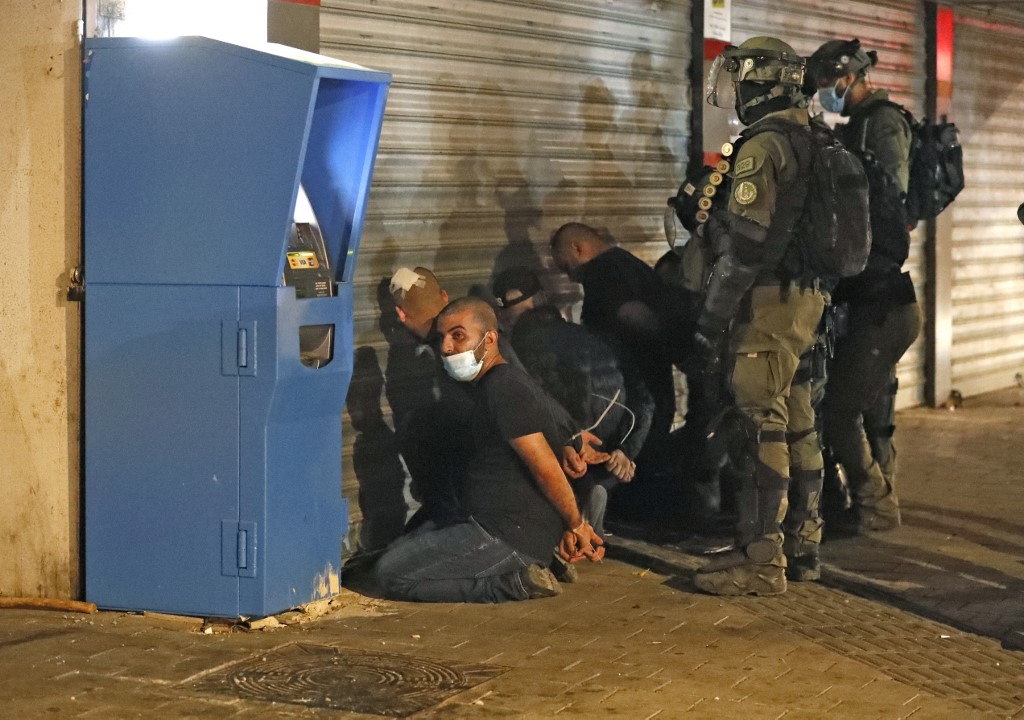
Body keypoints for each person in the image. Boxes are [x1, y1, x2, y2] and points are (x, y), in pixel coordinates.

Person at [692, 37, 829, 595]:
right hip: (811, 301)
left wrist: (712, 315)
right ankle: (803, 546)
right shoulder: (817, 137)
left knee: (757, 423)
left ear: (760, 83)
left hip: (770, 302)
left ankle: (762, 562)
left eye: (740, 80)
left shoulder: (764, 145)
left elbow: (747, 243)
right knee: (798, 418)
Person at [373, 297, 605, 602]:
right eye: (442, 337)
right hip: (503, 527)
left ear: (490, 339)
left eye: (458, 335)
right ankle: (538, 563)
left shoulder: (502, 388)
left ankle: (511, 584)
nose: (446, 347)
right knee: (403, 549)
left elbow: (545, 468)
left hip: (503, 534)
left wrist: (576, 525)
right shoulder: (500, 383)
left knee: (391, 574)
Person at [807, 39, 923, 533]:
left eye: (825, 85)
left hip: (881, 297)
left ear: (844, 78)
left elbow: (885, 203)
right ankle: (875, 499)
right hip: (871, 295)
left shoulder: (882, 122)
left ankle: (878, 501)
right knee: (862, 400)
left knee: (855, 406)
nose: (823, 95)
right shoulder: (857, 125)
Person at [492, 265, 655, 536]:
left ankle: (576, 503)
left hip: (566, 462)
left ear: (501, 315)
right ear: (544, 298)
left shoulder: (514, 354)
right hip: (608, 457)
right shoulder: (600, 338)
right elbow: (644, 400)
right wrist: (626, 451)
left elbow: (531, 411)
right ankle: (595, 487)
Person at [548, 223, 694, 477]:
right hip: (652, 391)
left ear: (577, 247)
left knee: (639, 471)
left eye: (565, 265)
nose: (568, 276)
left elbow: (633, 314)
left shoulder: (603, 271)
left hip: (637, 395)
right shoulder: (625, 262)